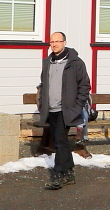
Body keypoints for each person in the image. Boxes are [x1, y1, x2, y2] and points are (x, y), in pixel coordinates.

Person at [37, 32, 91, 190]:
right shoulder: (48, 62)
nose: (54, 44)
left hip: (66, 109)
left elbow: (84, 86)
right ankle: (69, 174)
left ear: (64, 42)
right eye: (52, 42)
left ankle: (59, 175)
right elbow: (43, 84)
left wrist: (77, 106)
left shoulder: (75, 62)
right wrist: (42, 104)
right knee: (60, 142)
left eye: (57, 41)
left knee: (60, 142)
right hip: (51, 109)